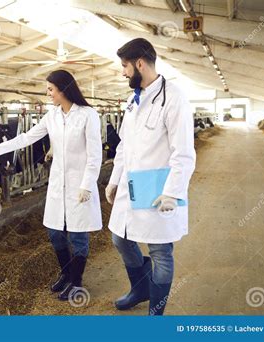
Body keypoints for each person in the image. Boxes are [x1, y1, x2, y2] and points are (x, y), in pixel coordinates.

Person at [0, 70, 102, 302]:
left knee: (78, 236)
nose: (48, 93)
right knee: (55, 233)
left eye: (50, 89)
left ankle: (76, 282)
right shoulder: (52, 116)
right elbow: (27, 137)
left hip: (79, 185)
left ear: (63, 89)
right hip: (58, 185)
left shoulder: (87, 115)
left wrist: (87, 184)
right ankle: (66, 274)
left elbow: (95, 155)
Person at [105, 38, 196, 315]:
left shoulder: (173, 97)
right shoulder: (134, 102)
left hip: (158, 190)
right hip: (131, 188)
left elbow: (183, 152)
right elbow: (123, 146)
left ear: (140, 64)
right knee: (120, 239)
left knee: (160, 252)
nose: (123, 73)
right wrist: (114, 179)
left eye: (125, 66)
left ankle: (156, 313)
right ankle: (140, 288)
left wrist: (173, 192)